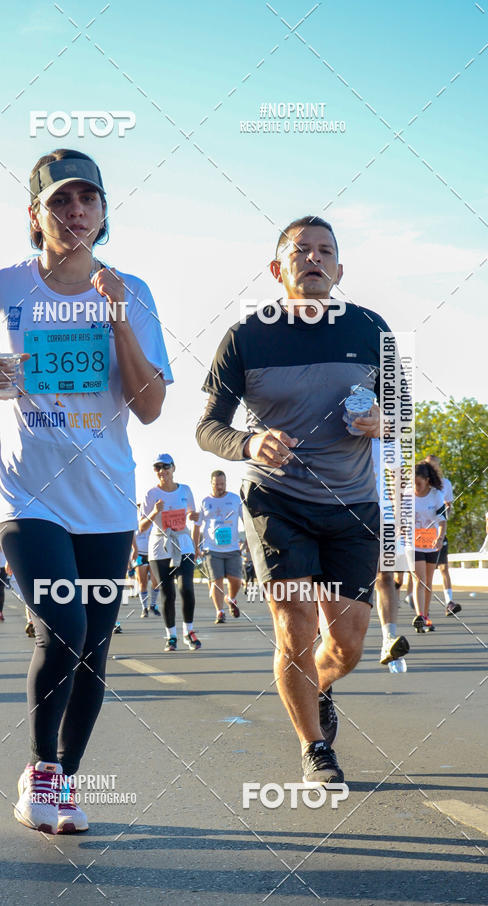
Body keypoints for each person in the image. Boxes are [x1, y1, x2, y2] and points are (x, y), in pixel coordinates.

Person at [0, 148, 171, 834]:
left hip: (107, 495)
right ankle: (38, 772)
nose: (76, 210)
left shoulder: (134, 292)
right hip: (27, 493)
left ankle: (63, 783)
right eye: (61, 200)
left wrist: (115, 315)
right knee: (65, 626)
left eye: (88, 198)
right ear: (36, 215)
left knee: (94, 645)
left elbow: (149, 407)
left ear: (105, 210)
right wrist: (0, 378)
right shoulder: (3, 288)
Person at [197, 216, 390, 786]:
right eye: (301, 251)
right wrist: (250, 441)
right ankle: (315, 749)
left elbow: (403, 414)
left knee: (348, 642)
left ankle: (320, 685)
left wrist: (381, 421)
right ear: (277, 269)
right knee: (294, 624)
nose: (314, 259)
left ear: (339, 269)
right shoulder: (246, 336)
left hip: (353, 504)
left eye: (325, 251)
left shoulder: (371, 330)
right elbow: (208, 428)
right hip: (275, 499)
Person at [140, 454, 201, 652]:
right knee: (168, 593)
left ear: (173, 468)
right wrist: (155, 512)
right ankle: (171, 636)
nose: (162, 471)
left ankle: (188, 631)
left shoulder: (185, 490)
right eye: (157, 467)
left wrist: (193, 516)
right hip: (160, 546)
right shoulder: (150, 494)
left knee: (186, 588)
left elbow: (193, 516)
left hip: (183, 544)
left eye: (165, 466)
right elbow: (141, 527)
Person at [371, 440, 409, 671]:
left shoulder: (388, 444)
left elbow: (398, 480)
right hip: (342, 514)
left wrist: (398, 516)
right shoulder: (338, 428)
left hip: (381, 516)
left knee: (384, 577)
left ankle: (388, 639)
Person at [193, 470, 242, 623]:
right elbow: (197, 526)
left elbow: (245, 519)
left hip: (233, 547)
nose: (220, 487)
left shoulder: (234, 499)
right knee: (216, 581)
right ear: (211, 484)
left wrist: (248, 540)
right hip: (211, 548)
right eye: (217, 484)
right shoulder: (205, 501)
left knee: (236, 580)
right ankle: (220, 612)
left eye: (222, 484)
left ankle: (231, 598)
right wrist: (195, 547)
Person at [412, 462, 446, 632]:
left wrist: (440, 538)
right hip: (413, 542)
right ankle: (419, 616)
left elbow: (442, 521)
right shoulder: (406, 496)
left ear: (427, 480)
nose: (416, 487)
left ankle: (426, 615)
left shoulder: (436, 495)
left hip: (431, 541)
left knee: (428, 581)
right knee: (420, 578)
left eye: (419, 483)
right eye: (413, 483)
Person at [424, 455, 461, 616]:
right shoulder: (420, 482)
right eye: (429, 466)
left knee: (444, 567)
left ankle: (449, 602)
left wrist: (444, 516)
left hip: (438, 531)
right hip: (421, 532)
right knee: (423, 573)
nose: (433, 468)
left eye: (435, 466)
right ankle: (421, 607)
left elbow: (448, 505)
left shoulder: (446, 483)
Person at [132, 513, 160, 618]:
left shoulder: (155, 521)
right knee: (142, 582)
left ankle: (152, 605)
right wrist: (134, 550)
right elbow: (132, 536)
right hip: (140, 554)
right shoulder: (137, 522)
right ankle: (144, 608)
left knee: (156, 581)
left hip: (154, 554)